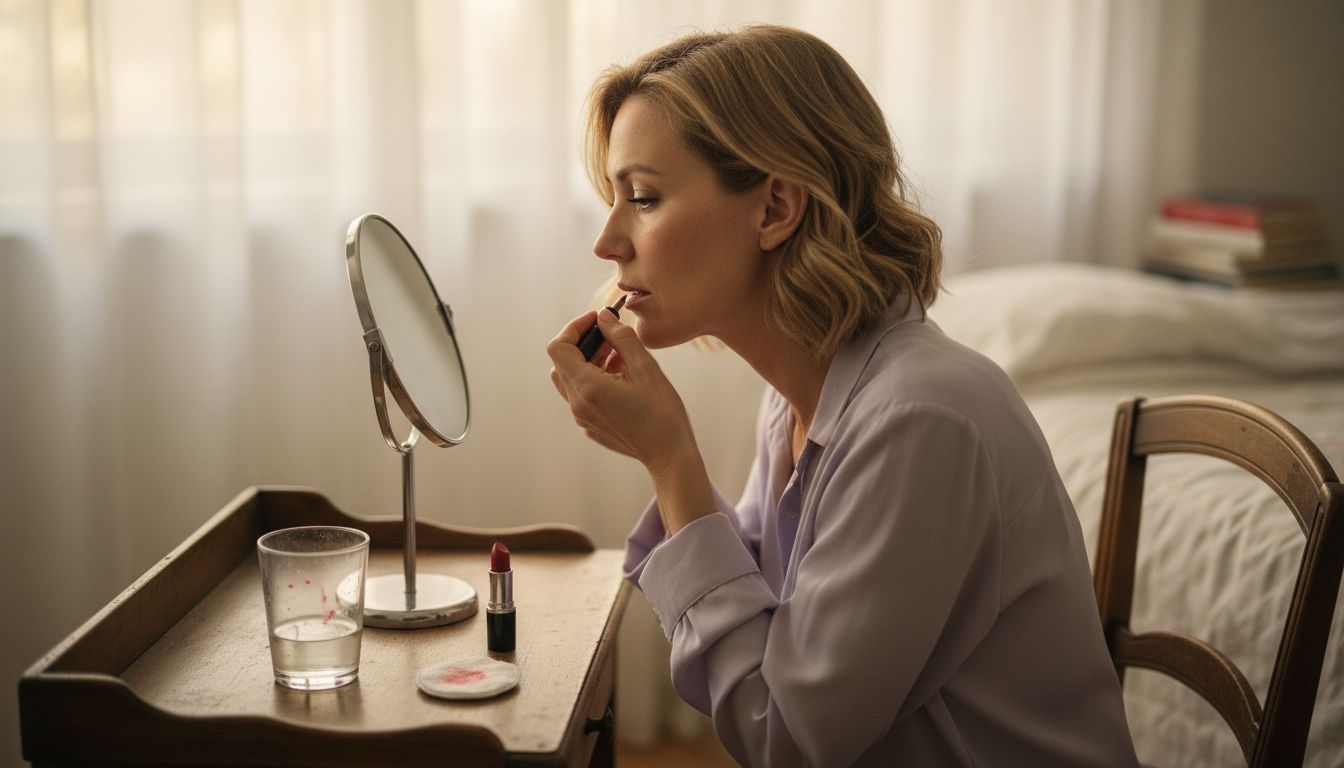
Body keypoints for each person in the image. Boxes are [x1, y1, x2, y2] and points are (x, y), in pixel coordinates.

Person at [546, 25, 1138, 768]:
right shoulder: (803, 397)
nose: (608, 241)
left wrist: (671, 460)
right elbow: (764, 623)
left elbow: (783, 736)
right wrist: (665, 456)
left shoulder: (917, 420)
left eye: (643, 198)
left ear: (774, 209)